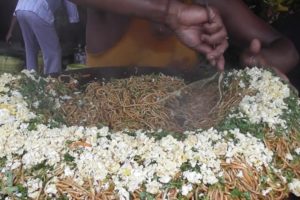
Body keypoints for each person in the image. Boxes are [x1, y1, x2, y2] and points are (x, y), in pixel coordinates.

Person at [70, 0, 299, 75]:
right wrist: (170, 12)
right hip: (108, 127)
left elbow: (284, 48)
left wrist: (262, 63)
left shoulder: (209, 4)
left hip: (182, 124)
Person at [6, 0, 80, 75]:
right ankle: (51, 82)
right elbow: (71, 2)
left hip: (20, 9)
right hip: (38, 9)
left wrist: (10, 31)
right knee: (53, 52)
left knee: (30, 48)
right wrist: (74, 19)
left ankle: (31, 79)